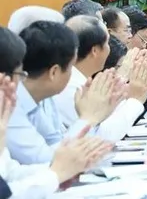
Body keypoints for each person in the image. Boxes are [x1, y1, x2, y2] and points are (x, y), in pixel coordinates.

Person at [0, 26, 112, 198]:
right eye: (19, 75)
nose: (19, 83)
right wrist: (88, 118)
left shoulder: (41, 98)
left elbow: (10, 173)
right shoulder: (12, 106)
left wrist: (61, 171)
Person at [6, 21, 120, 164]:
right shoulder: (9, 102)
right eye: (71, 67)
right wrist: (88, 118)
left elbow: (57, 141)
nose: (73, 74)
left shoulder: (43, 98)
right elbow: (47, 160)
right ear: (54, 72)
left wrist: (91, 117)